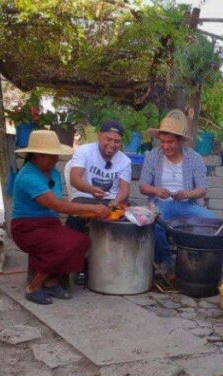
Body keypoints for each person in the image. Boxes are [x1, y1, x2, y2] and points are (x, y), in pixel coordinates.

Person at [10, 129, 109, 305]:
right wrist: (92, 209)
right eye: (51, 156)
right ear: (37, 156)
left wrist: (88, 211)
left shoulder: (53, 172)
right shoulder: (28, 176)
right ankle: (34, 287)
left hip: (49, 224)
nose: (56, 160)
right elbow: (58, 205)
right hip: (26, 227)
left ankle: (52, 281)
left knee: (81, 241)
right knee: (64, 245)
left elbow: (59, 200)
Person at [139, 110, 212, 273]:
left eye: (170, 142)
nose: (165, 146)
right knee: (153, 222)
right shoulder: (153, 156)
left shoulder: (194, 158)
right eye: (162, 141)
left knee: (212, 221)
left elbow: (202, 189)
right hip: (160, 205)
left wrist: (186, 194)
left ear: (180, 141)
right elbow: (143, 186)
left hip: (187, 205)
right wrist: (156, 190)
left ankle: (202, 263)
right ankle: (165, 261)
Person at [65, 120, 132, 236]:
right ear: (99, 136)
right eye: (108, 139)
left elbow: (124, 190)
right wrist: (90, 189)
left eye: (117, 141)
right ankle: (77, 249)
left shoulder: (125, 161)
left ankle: (115, 252)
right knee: (75, 221)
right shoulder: (84, 151)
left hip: (111, 201)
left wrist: (115, 201)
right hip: (85, 196)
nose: (112, 144)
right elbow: (74, 179)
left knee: (132, 220)